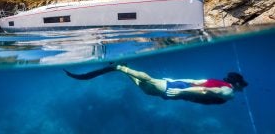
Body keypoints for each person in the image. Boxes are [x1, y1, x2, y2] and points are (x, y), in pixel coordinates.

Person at [64, 64, 248, 105]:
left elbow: (196, 80)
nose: (242, 89)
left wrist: (176, 82)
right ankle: (121, 67)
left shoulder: (217, 80)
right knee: (149, 81)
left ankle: (120, 69)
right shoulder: (228, 92)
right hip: (176, 89)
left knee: (145, 88)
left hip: (177, 85)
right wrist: (181, 89)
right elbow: (206, 90)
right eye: (242, 85)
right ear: (236, 83)